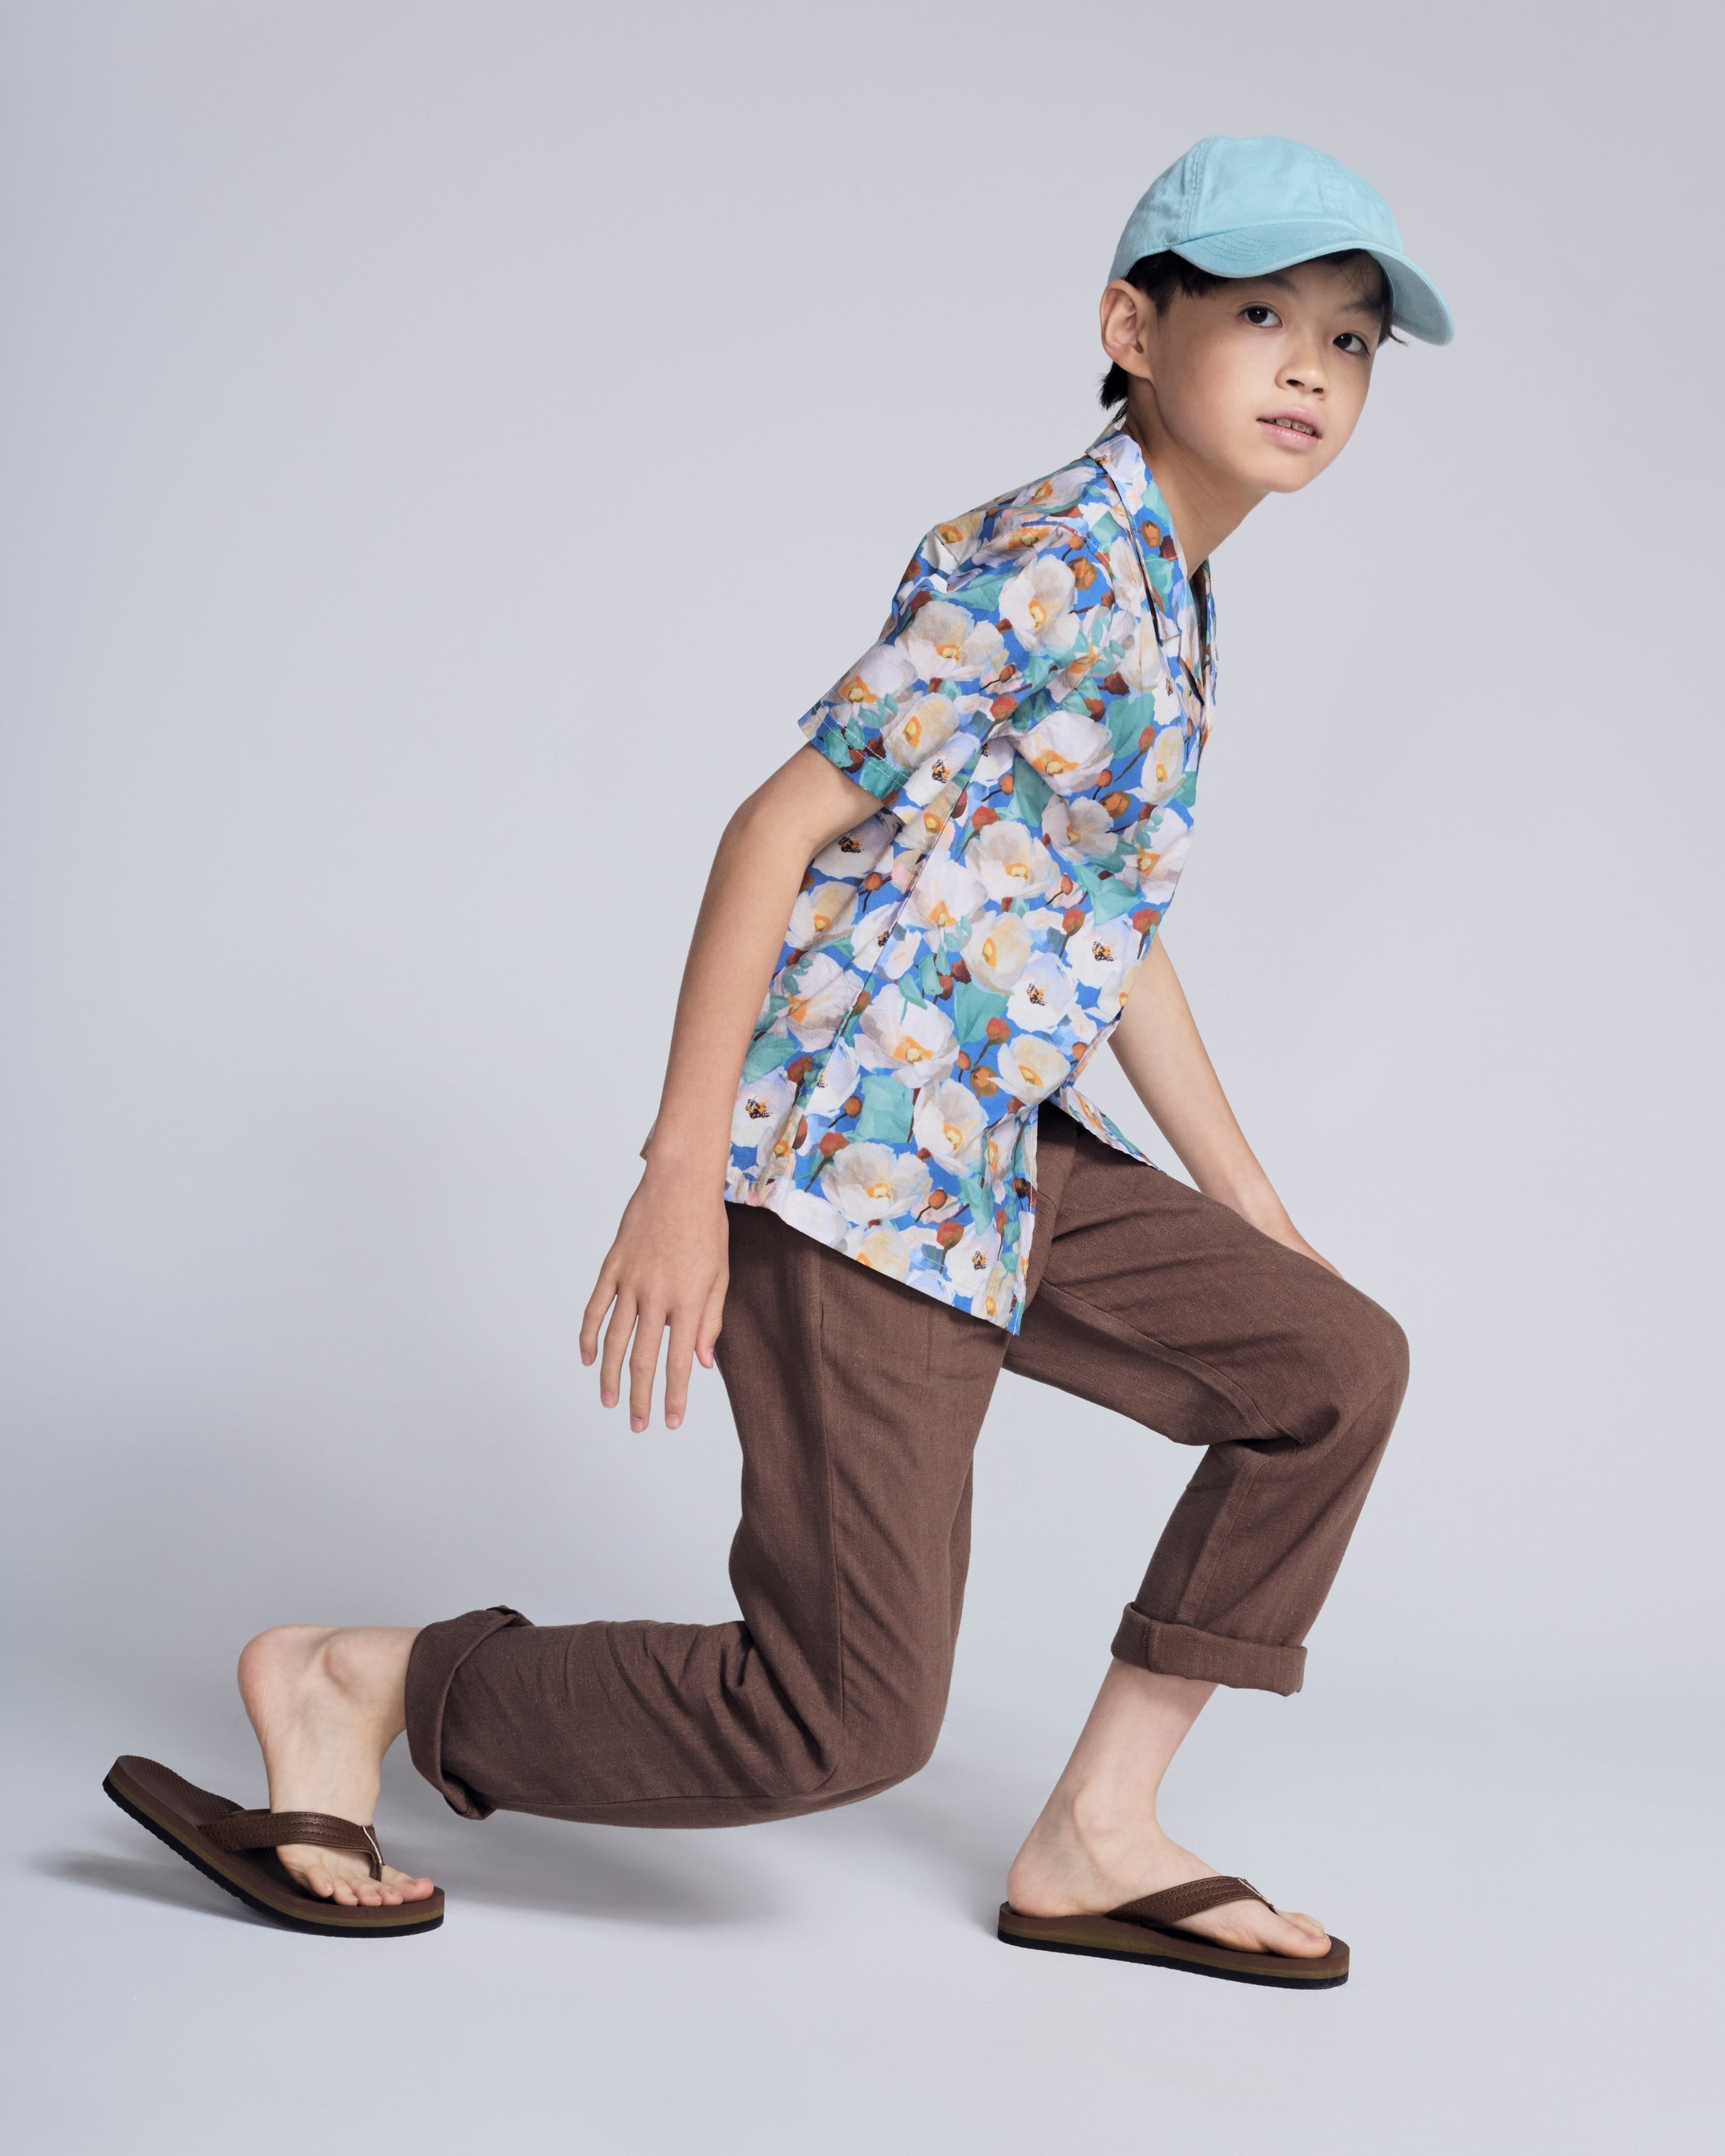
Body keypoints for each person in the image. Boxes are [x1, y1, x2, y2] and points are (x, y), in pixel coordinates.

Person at [108, 135, 1450, 1982]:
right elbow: (774, 828)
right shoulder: (1057, 556)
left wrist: (1258, 1211)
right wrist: (684, 1176)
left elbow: (1102, 927)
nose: (1313, 368)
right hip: (854, 1166)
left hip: (995, 1148)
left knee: (1331, 1363)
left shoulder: (1170, 582)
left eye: (1353, 339)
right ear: (1132, 331)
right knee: (844, 1717)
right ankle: (367, 1681)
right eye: (1263, 317)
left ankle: (1099, 1831)